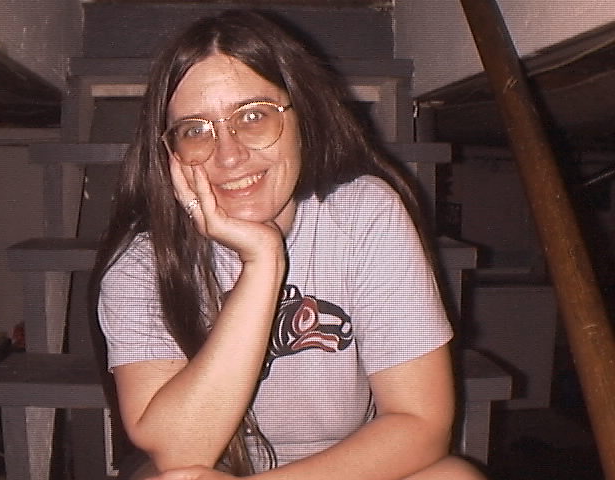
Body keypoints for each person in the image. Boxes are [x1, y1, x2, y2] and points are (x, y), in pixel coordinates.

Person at [91, 9, 485, 480]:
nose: (230, 155)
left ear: (303, 116)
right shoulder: (142, 263)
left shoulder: (363, 213)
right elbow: (179, 452)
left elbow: (420, 423)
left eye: (253, 116)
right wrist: (262, 262)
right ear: (171, 154)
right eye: (196, 130)